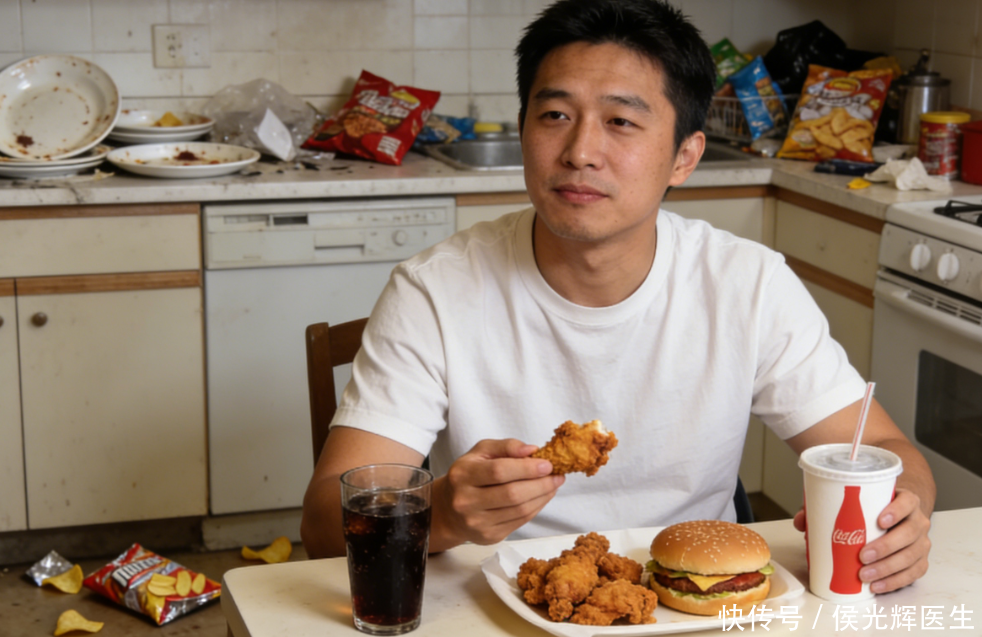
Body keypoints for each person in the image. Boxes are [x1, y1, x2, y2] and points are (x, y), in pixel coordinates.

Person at [302, 0, 934, 595]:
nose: (580, 152)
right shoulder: (435, 290)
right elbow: (323, 525)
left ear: (684, 156)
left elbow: (889, 454)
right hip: (490, 597)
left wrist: (902, 516)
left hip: (692, 599)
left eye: (621, 122)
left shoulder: (748, 285)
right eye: (555, 115)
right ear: (522, 129)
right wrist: (440, 512)